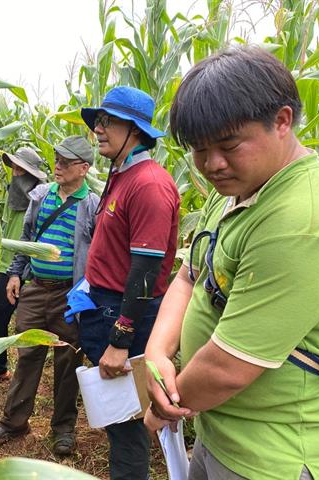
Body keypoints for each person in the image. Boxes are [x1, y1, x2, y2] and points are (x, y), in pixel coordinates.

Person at [144, 46, 319, 480]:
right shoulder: (236, 189)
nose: (212, 164)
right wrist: (156, 353)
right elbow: (191, 275)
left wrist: (164, 401)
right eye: (199, 149)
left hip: (276, 455)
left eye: (228, 145)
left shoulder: (302, 222)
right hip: (220, 431)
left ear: (282, 121)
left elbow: (228, 369)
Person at [78, 86, 181, 479]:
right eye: (98, 121)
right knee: (119, 421)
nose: (99, 130)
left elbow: (145, 271)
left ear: (134, 131)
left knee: (127, 426)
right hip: (107, 309)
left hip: (125, 319)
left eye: (108, 122)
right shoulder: (122, 176)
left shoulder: (148, 184)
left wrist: (120, 341)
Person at [0, 136, 99, 455]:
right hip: (36, 290)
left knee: (67, 360)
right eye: (56, 159)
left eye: (66, 161)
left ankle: (63, 427)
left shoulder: (93, 205)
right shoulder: (41, 196)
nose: (57, 165)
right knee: (28, 355)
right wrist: (17, 273)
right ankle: (14, 421)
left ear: (84, 168)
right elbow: (27, 237)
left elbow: (98, 252)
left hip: (69, 295)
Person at [0, 148, 46, 384]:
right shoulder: (11, 195)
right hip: (6, 269)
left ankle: (30, 375)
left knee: (28, 324)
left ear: (32, 174)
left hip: (29, 270)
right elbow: (5, 233)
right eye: (13, 168)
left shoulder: (41, 199)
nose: (15, 173)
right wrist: (1, 265)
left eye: (21, 169)